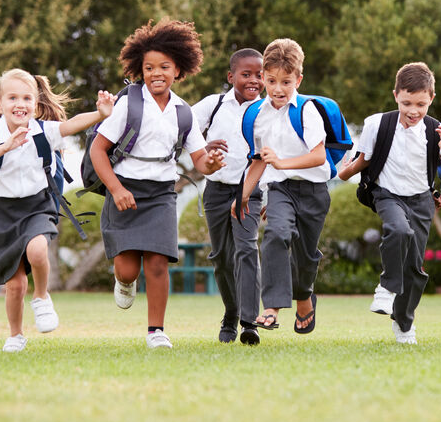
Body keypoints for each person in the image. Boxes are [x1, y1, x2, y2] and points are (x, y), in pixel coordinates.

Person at [90, 19, 224, 349]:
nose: (156, 73)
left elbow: (199, 161)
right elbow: (97, 149)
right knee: (127, 268)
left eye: (164, 66)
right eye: (149, 67)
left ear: (178, 69)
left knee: (158, 262)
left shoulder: (184, 112)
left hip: (162, 192)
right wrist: (117, 189)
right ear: (141, 70)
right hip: (125, 189)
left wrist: (212, 163)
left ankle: (156, 331)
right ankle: (124, 283)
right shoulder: (129, 103)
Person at [339, 62, 441, 344]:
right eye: (406, 102)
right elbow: (364, 161)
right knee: (398, 230)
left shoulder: (437, 131)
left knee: (415, 269)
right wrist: (344, 171)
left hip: (421, 200)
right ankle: (386, 287)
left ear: (431, 99)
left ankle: (404, 321)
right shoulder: (377, 124)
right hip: (386, 194)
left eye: (421, 104)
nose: (413, 110)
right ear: (395, 94)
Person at [0, 68, 115, 353]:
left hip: (37, 205)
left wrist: (100, 114)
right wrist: (5, 147)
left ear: (35, 105)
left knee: (38, 250)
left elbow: (72, 124)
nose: (20, 104)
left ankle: (41, 296)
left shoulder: (43, 131)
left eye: (27, 98)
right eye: (12, 97)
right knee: (14, 284)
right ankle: (15, 334)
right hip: (2, 212)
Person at [231, 38, 329, 335]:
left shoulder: (307, 110)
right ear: (263, 77)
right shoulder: (257, 114)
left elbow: (318, 155)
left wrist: (282, 162)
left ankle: (304, 297)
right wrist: (243, 194)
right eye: (271, 80)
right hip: (280, 189)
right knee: (276, 234)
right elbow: (260, 160)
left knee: (306, 257)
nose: (278, 89)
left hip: (313, 190)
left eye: (286, 82)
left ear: (298, 79)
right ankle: (271, 308)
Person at [192, 48, 264, 346]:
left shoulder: (268, 110)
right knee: (221, 259)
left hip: (251, 190)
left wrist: (267, 195)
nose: (254, 81)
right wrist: (204, 145)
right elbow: (184, 131)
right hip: (216, 191)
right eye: (246, 74)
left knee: (247, 250)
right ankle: (231, 314)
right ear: (230, 76)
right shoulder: (214, 104)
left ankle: (250, 322)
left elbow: (271, 156)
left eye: (259, 75)